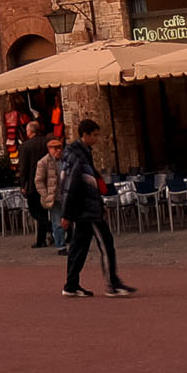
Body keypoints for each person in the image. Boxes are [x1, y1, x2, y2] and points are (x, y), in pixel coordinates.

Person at [55, 118, 136, 298]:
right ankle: (112, 284)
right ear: (86, 135)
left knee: (79, 246)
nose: (97, 139)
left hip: (87, 208)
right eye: (95, 135)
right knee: (106, 243)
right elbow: (71, 186)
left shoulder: (80, 153)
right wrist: (67, 214)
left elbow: (83, 184)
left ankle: (71, 284)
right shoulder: (77, 155)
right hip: (87, 210)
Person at [24, 132, 61, 250]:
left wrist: (22, 184)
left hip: (36, 187)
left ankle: (46, 236)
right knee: (54, 215)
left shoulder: (26, 146)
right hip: (51, 189)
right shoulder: (45, 155)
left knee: (37, 212)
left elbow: (24, 168)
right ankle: (53, 238)